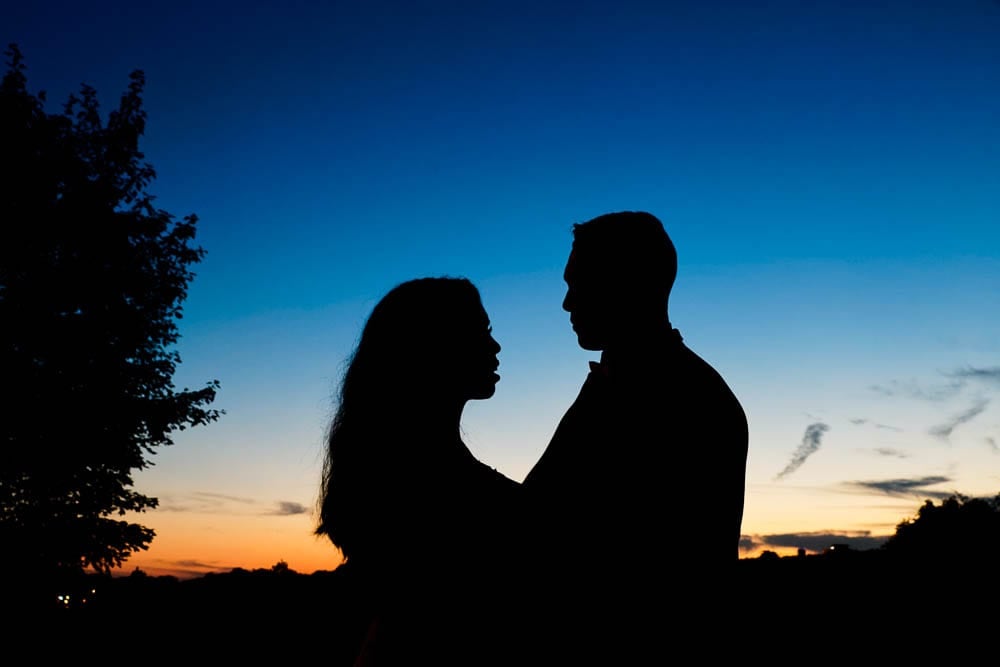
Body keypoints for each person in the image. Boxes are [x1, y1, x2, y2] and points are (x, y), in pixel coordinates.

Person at [521, 211, 749, 661]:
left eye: (578, 282)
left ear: (627, 282)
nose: (567, 303)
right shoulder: (636, 384)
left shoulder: (677, 397)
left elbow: (548, 528)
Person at [314, 276, 520, 666]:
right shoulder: (427, 481)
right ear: (430, 345)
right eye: (478, 331)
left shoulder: (404, 466)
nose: (494, 345)